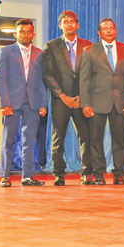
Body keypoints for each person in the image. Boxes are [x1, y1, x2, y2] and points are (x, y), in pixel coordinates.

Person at [79, 18, 124, 185]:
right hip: (96, 102)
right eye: (105, 29)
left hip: (120, 102)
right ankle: (99, 173)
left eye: (112, 28)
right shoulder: (89, 50)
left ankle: (118, 173)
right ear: (99, 32)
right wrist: (85, 103)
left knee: (119, 140)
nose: (109, 31)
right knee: (95, 140)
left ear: (116, 31)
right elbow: (84, 79)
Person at [42, 10, 93, 186]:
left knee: (86, 137)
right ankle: (59, 173)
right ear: (60, 25)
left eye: (72, 22)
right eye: (65, 22)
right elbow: (48, 74)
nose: (69, 24)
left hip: (81, 100)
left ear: (77, 25)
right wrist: (62, 95)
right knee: (58, 137)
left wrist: (81, 96)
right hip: (60, 100)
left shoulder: (88, 45)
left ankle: (86, 172)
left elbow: (91, 74)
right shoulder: (51, 45)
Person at [0, 19, 48, 187]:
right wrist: (4, 103)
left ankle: (27, 176)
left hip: (32, 103)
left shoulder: (40, 54)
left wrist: (43, 104)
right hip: (11, 102)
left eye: (29, 32)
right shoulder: (5, 52)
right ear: (15, 34)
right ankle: (4, 175)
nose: (26, 35)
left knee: (29, 141)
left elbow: (42, 81)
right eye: (22, 32)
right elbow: (1, 80)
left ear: (33, 34)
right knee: (8, 140)